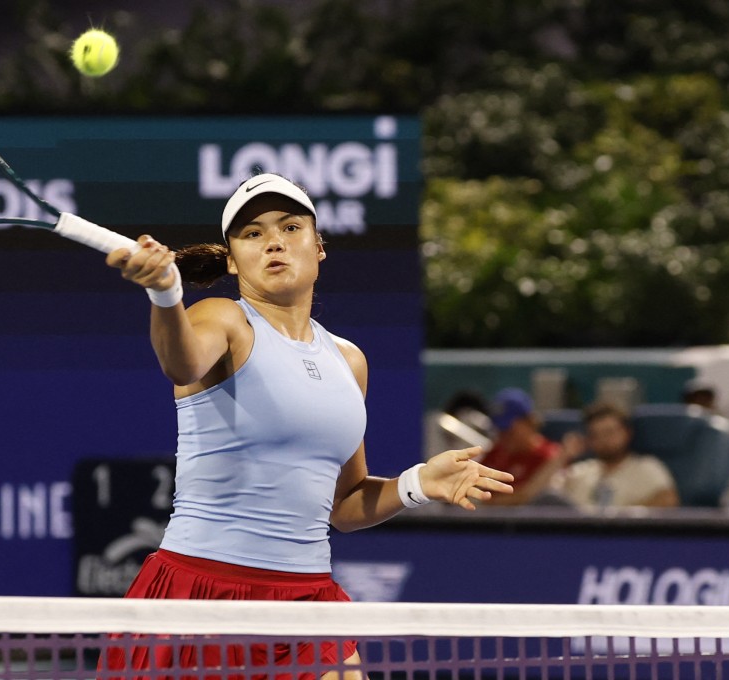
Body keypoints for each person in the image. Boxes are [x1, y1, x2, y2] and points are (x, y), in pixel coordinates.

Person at [99, 173, 515, 679]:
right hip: (200, 595)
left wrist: (415, 484)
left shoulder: (349, 361)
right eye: (252, 233)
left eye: (290, 227)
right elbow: (181, 364)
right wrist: (166, 295)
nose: (273, 240)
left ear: (318, 247)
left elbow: (344, 504)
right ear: (232, 260)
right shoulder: (223, 319)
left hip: (307, 602)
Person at [553, 401, 679, 510]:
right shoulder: (579, 472)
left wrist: (623, 517)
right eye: (596, 435)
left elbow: (668, 501)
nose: (604, 440)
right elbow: (541, 498)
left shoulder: (647, 467)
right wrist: (562, 456)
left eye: (610, 432)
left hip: (626, 535)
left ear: (627, 433)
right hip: (577, 535)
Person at [478, 388, 579, 505]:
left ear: (529, 422)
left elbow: (529, 499)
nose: (503, 435)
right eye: (499, 430)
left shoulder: (551, 456)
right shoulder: (496, 453)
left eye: (508, 430)